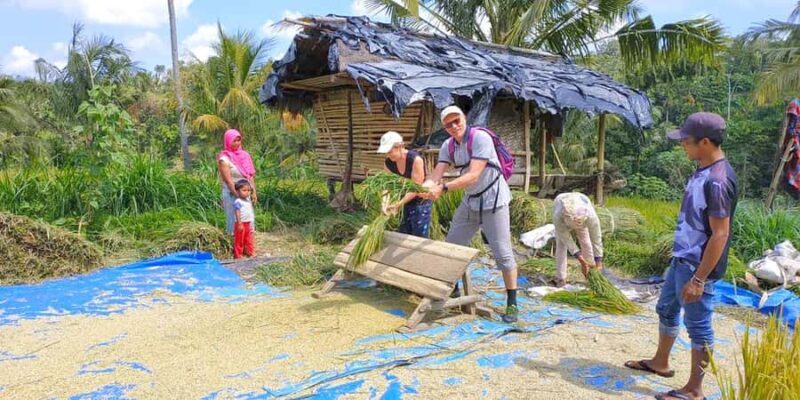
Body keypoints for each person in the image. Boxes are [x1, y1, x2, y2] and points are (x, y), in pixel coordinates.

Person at [624, 112, 738, 400]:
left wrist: (699, 279)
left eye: (686, 141)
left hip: (698, 268)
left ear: (705, 142)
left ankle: (694, 390)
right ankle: (660, 363)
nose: (682, 145)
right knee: (666, 309)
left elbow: (720, 234)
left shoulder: (718, 181)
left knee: (698, 326)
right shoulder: (702, 170)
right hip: (682, 259)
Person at [424, 105, 519, 323]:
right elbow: (437, 174)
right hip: (471, 201)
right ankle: (454, 290)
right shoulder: (448, 146)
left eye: (457, 120)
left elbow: (474, 175)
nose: (454, 126)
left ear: (464, 118)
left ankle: (512, 304)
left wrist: (444, 189)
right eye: (448, 124)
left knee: (503, 254)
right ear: (445, 128)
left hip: (494, 200)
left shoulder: (480, 138)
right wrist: (423, 189)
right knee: (452, 246)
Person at [377, 131, 432, 238]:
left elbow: (415, 187)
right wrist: (385, 203)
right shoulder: (388, 162)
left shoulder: (415, 160)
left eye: (390, 151)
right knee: (403, 232)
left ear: (400, 147)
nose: (387, 155)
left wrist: (398, 204)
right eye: (386, 152)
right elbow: (386, 185)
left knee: (419, 234)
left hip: (420, 200)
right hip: (402, 200)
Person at [552, 192, 604, 287]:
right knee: (561, 244)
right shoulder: (558, 216)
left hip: (580, 213)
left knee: (585, 240)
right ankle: (561, 278)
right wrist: (581, 259)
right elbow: (568, 240)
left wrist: (599, 262)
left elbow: (596, 239)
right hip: (563, 215)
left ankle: (590, 273)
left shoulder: (590, 216)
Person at [217, 129, 257, 235]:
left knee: (248, 218)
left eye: (239, 140)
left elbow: (250, 175)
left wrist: (253, 192)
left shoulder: (245, 155)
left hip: (245, 192)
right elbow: (229, 181)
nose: (237, 143)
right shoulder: (224, 159)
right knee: (234, 219)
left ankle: (247, 245)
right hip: (232, 194)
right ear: (228, 141)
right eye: (234, 141)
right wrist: (238, 196)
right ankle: (235, 245)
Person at [233, 179, 256, 259]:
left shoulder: (247, 201)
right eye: (244, 190)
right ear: (237, 191)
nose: (247, 192)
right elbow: (237, 212)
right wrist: (239, 223)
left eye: (249, 190)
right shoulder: (238, 201)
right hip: (241, 223)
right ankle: (238, 255)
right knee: (239, 239)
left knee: (248, 238)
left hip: (247, 223)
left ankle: (250, 252)